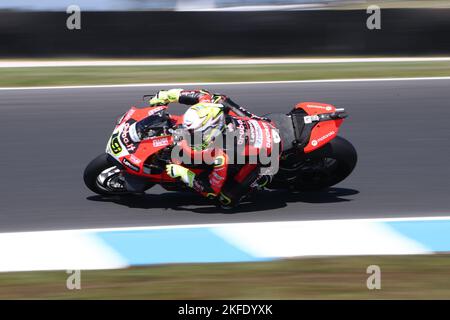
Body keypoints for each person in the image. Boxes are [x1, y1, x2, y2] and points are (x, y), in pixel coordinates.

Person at [149, 88, 275, 208]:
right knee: (219, 98)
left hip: (268, 152)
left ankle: (262, 178)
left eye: (193, 133)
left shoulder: (221, 156)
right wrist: (167, 95)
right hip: (262, 125)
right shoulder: (210, 110)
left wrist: (184, 174)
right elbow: (202, 94)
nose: (189, 134)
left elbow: (212, 189)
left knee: (226, 199)